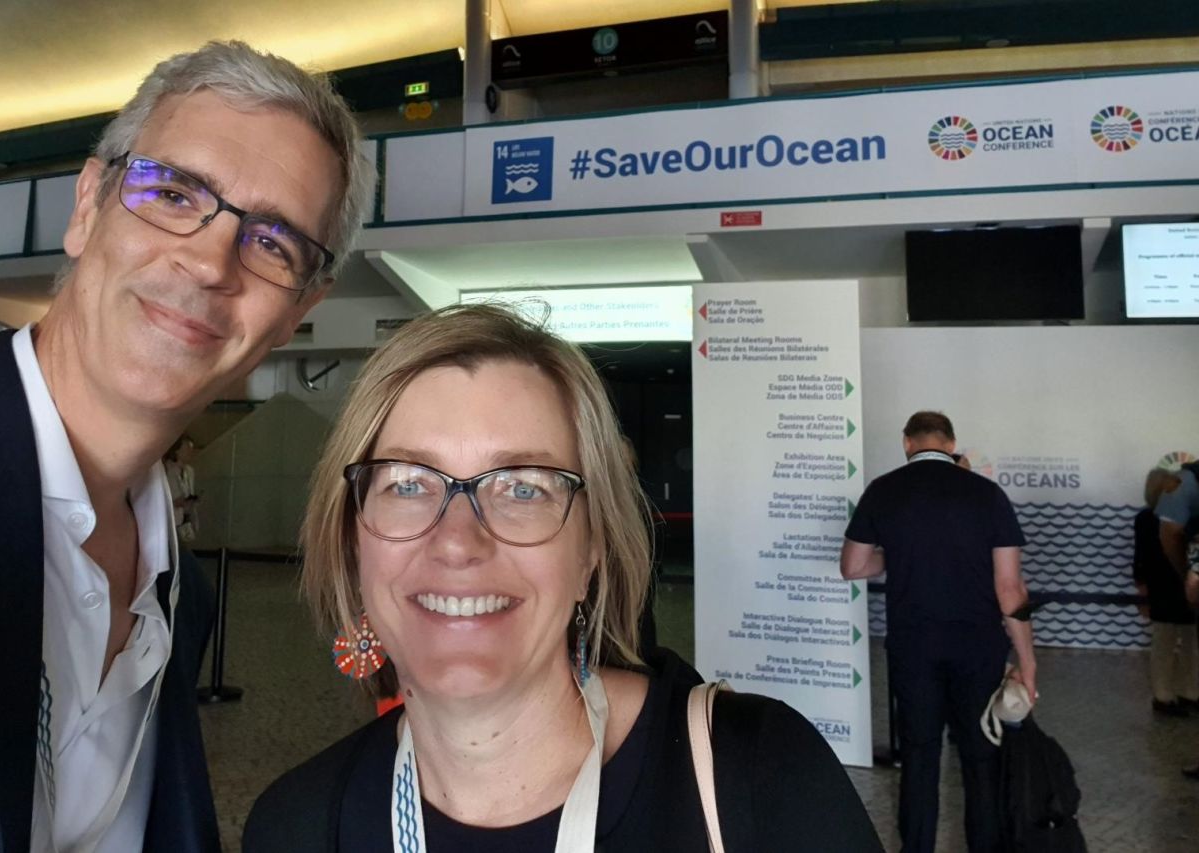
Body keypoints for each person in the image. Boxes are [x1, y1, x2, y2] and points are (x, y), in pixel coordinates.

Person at [0, 41, 371, 852]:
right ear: (88, 204)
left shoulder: (179, 597)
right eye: (172, 192)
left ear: (302, 307)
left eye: (272, 242)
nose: (207, 262)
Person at [244, 303, 883, 852]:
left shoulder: (762, 779)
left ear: (592, 550)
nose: (458, 542)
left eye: (524, 487)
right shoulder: (294, 826)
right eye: (408, 483)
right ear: (351, 534)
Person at [840, 411, 1036, 853]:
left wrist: (903, 556)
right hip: (978, 647)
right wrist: (1028, 661)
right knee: (981, 756)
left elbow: (852, 567)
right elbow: (1010, 589)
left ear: (907, 443)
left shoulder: (883, 490)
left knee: (919, 756)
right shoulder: (987, 494)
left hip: (912, 646)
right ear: (951, 444)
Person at [1132, 469, 1197, 716]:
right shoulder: (1186, 517)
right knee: (1188, 643)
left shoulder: (1144, 518)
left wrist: (1142, 588)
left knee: (1164, 643)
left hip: (1163, 586)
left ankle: (1165, 696)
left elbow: (1140, 558)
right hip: (1180, 584)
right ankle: (1186, 692)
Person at [166, 435, 202, 544]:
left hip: (186, 519)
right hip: (172, 519)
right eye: (187, 449)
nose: (190, 452)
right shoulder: (168, 470)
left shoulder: (190, 471)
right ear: (177, 451)